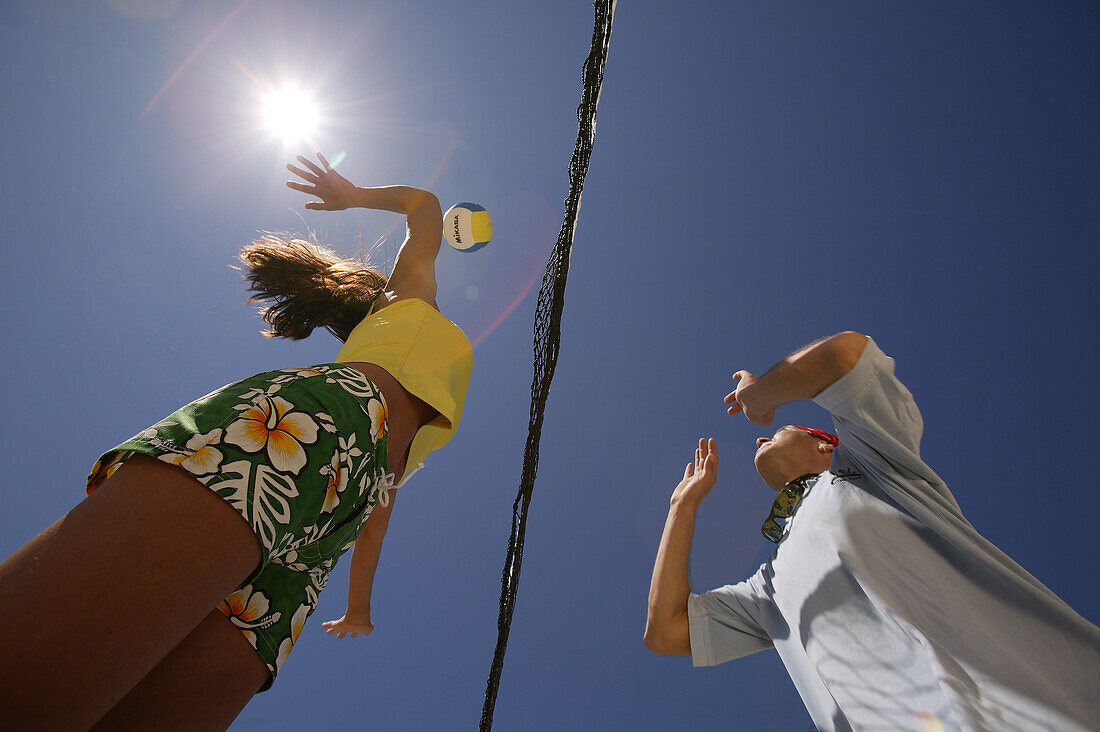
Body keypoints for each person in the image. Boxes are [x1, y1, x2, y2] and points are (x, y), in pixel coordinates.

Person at [0, 153, 474, 729]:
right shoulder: (406, 298)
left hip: (337, 516)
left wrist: (358, 608)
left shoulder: (406, 375)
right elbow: (423, 208)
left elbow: (380, 507)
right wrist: (351, 194)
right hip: (315, 421)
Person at [644, 331, 1100, 731]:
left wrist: (761, 396)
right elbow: (665, 631)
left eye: (781, 430)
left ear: (826, 443)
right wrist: (681, 506)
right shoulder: (769, 586)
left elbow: (844, 359)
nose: (761, 440)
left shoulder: (872, 464)